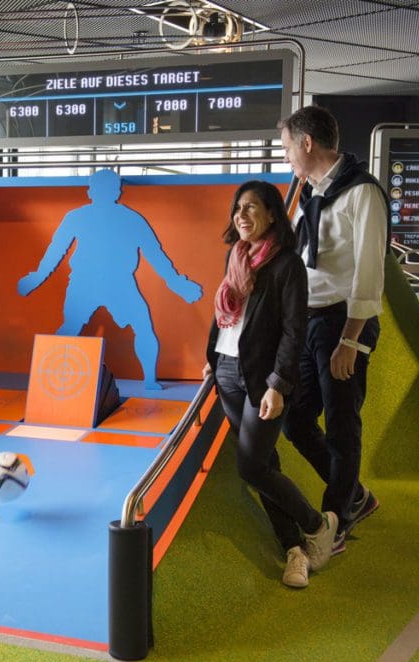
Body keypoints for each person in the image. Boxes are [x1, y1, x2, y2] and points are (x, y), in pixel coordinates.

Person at [205, 180, 338, 588]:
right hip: (227, 371)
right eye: (237, 209)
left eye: (251, 208)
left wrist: (279, 384)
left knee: (250, 465)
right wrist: (212, 359)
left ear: (271, 215)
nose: (241, 216)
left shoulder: (286, 265)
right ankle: (294, 550)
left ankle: (318, 526)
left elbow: (293, 332)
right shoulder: (237, 255)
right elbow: (225, 312)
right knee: (266, 465)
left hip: (263, 378)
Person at [279, 105, 385, 554]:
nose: (286, 158)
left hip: (343, 323)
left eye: (286, 148)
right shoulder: (312, 194)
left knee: (342, 426)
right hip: (309, 320)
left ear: (307, 143)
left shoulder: (362, 193)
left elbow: (369, 273)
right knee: (296, 419)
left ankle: (335, 521)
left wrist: (350, 339)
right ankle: (356, 496)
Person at [18, 169, 203, 389]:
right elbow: (55, 251)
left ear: (116, 191)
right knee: (73, 327)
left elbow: (155, 254)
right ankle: (46, 378)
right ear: (91, 192)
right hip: (85, 282)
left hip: (118, 283)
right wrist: (36, 278)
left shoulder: (130, 219)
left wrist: (179, 284)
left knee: (142, 327)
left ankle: (150, 381)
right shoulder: (81, 217)